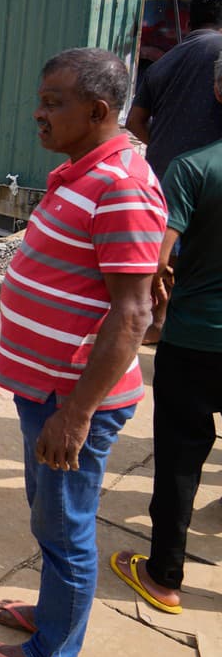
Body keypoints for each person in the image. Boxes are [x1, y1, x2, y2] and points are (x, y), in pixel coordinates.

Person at [0, 49, 165, 657]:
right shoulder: (83, 174)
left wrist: (76, 415)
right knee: (50, 518)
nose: (39, 113)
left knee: (66, 529)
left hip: (72, 399)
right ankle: (53, 618)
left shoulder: (121, 186)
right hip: (46, 391)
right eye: (41, 100)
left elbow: (132, 315)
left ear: (98, 111)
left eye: (54, 103)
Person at [112, 53, 222, 614]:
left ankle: (163, 576)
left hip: (197, 339)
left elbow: (156, 259)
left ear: (218, 92)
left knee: (180, 459)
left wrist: (157, 301)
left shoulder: (193, 168)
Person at [126, 0, 222, 179]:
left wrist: (172, 151)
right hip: (209, 180)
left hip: (162, 178)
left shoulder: (159, 64)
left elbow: (133, 122)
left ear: (188, 25)